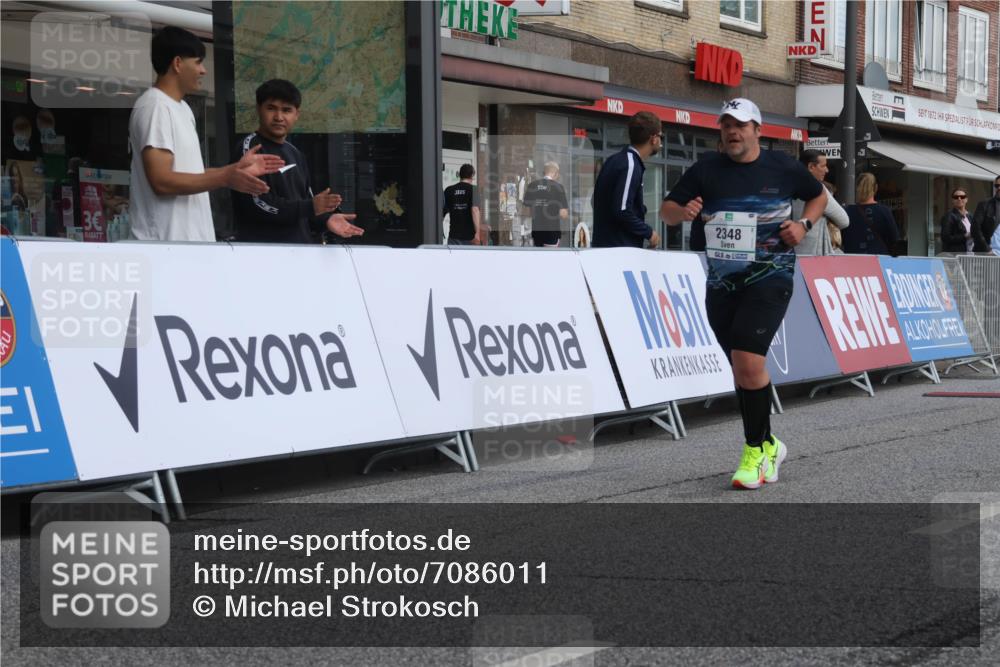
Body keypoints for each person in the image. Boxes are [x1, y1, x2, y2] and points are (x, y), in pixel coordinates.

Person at [660, 98, 827, 490]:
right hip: (722, 283)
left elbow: (819, 197)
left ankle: (754, 453)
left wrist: (803, 224)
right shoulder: (705, 169)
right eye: (726, 125)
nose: (732, 132)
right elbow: (668, 209)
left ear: (757, 129)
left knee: (748, 362)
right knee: (741, 368)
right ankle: (770, 442)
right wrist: (681, 213)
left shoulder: (782, 166)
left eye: (740, 125)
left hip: (770, 276)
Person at [129, 26, 284, 242]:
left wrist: (234, 170)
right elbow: (161, 181)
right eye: (198, 62)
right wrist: (225, 177)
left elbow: (190, 173)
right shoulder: (155, 106)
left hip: (189, 244)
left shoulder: (181, 108)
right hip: (165, 244)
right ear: (177, 63)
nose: (203, 70)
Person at [232, 79, 362, 244]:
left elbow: (305, 203)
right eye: (271, 108)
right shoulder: (249, 149)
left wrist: (326, 220)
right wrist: (310, 207)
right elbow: (258, 204)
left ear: (296, 115)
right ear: (259, 109)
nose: (279, 117)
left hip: (300, 252)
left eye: (286, 110)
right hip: (263, 255)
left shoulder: (295, 153)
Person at [591, 111, 661, 249]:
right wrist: (649, 233)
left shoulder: (614, 160)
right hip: (620, 249)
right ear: (654, 139)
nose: (660, 141)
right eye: (661, 136)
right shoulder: (631, 164)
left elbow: (596, 200)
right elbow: (622, 210)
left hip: (604, 246)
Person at [792, 150, 848, 256]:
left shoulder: (789, 184)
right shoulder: (819, 189)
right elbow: (844, 220)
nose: (826, 170)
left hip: (790, 252)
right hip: (814, 253)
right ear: (811, 167)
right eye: (823, 166)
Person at [842, 173, 898, 255]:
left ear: (857, 188)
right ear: (876, 188)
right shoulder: (884, 211)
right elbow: (894, 237)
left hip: (853, 260)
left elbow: (842, 238)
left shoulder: (847, 211)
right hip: (878, 260)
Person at [523, 161, 569, 247]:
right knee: (551, 259)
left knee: (538, 258)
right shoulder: (558, 187)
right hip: (552, 233)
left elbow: (526, 212)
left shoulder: (532, 185)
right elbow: (563, 214)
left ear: (543, 172)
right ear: (556, 173)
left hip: (537, 232)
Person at [443, 164, 481, 245]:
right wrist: (477, 233)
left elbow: (442, 212)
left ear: (459, 175)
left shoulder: (449, 190)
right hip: (470, 237)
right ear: (472, 175)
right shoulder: (473, 189)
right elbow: (475, 210)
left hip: (453, 236)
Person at [940, 187, 984, 254]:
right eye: (956, 197)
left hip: (970, 254)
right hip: (956, 255)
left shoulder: (970, 216)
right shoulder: (949, 216)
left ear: (966, 199)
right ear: (952, 200)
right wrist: (965, 236)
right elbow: (945, 238)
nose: (959, 199)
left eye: (962, 197)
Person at [972, 175, 1000, 251]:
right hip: (987, 255)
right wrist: (986, 249)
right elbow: (975, 228)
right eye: (997, 185)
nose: (999, 188)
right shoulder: (985, 204)